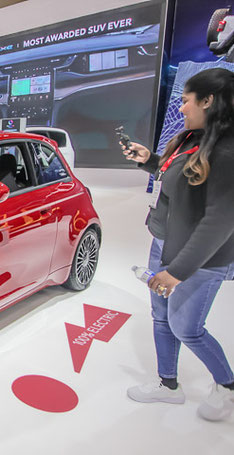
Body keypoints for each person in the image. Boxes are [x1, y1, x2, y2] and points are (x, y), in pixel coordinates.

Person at [123, 68, 234, 421]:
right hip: (164, 243)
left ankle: (227, 386)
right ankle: (168, 385)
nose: (182, 108)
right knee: (161, 318)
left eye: (186, 101)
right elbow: (183, 179)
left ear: (209, 100)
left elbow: (219, 221)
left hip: (198, 259)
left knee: (187, 328)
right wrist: (150, 162)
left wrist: (177, 272)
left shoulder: (228, 152)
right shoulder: (192, 138)